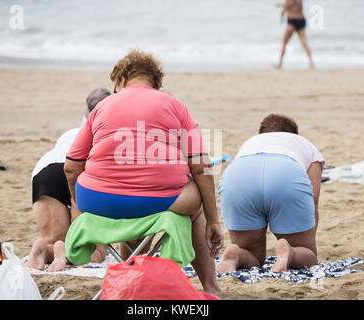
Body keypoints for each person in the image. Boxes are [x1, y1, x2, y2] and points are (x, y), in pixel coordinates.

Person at [62, 50, 224, 296]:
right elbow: (201, 167)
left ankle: (130, 283)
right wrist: (214, 221)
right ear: (155, 82)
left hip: (97, 201)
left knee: (120, 195)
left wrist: (81, 203)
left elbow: (71, 166)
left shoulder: (101, 107)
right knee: (197, 202)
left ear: (123, 78)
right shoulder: (176, 106)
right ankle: (211, 288)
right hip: (158, 202)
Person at [216, 114, 324, 273]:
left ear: (262, 133)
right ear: (294, 133)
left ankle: (237, 254)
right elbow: (312, 199)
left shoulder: (251, 143)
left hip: (238, 177)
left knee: (251, 253)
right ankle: (291, 253)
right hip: (285, 173)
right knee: (307, 255)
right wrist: (306, 241)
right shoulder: (304, 144)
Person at [26, 88, 111, 272]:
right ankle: (70, 253)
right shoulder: (109, 128)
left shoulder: (71, 132)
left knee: (54, 241)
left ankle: (43, 250)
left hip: (46, 170)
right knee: (94, 248)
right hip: (82, 170)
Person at [274, 0, 315, 69]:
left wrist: (281, 18)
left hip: (292, 21)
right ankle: (311, 63)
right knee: (304, 42)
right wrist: (282, 5)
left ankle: (280, 64)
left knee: (284, 42)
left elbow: (285, 9)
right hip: (302, 20)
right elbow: (293, 4)